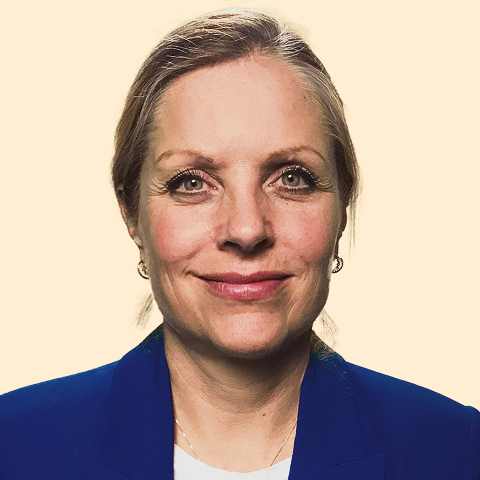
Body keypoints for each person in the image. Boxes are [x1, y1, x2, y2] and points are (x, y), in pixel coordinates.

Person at [0, 8, 479, 480]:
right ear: (131, 213)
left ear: (342, 207)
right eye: (191, 182)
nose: (247, 230)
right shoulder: (13, 445)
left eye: (292, 178)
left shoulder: (458, 452)